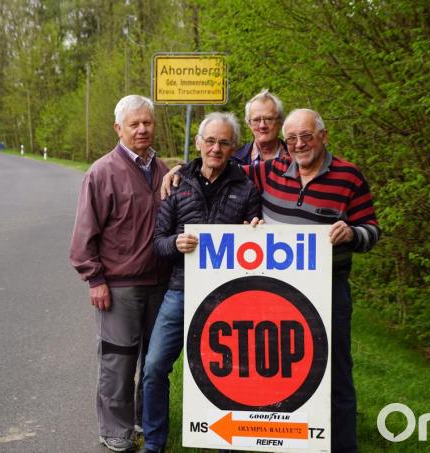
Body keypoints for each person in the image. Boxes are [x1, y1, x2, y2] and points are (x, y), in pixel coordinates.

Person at [161, 108, 380, 453]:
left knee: (335, 376)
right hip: (276, 292)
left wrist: (352, 233)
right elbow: (218, 165)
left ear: (323, 136)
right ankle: (277, 440)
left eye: (305, 136)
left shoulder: (349, 176)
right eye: (291, 139)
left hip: (328, 290)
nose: (298, 145)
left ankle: (342, 447)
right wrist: (179, 171)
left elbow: (372, 230)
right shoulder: (271, 170)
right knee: (276, 371)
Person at [138, 112, 261, 453]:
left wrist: (256, 233)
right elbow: (157, 241)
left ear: (234, 147)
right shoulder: (178, 183)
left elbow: (258, 238)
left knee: (231, 375)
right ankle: (154, 442)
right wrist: (175, 243)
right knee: (153, 367)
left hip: (228, 298)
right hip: (181, 290)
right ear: (198, 143)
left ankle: (228, 443)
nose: (216, 148)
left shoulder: (246, 188)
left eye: (224, 142)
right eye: (210, 141)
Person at [69, 94, 170, 452]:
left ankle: (145, 420)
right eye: (134, 124)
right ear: (118, 128)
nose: (142, 129)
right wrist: (95, 278)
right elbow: (84, 235)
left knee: (155, 362)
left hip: (162, 285)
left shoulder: (164, 170)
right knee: (118, 362)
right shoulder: (101, 172)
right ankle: (115, 430)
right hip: (121, 286)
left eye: (148, 123)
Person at [232, 89, 289, 164]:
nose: (262, 125)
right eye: (256, 120)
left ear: (280, 122)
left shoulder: (296, 156)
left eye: (269, 119)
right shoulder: (234, 160)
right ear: (249, 124)